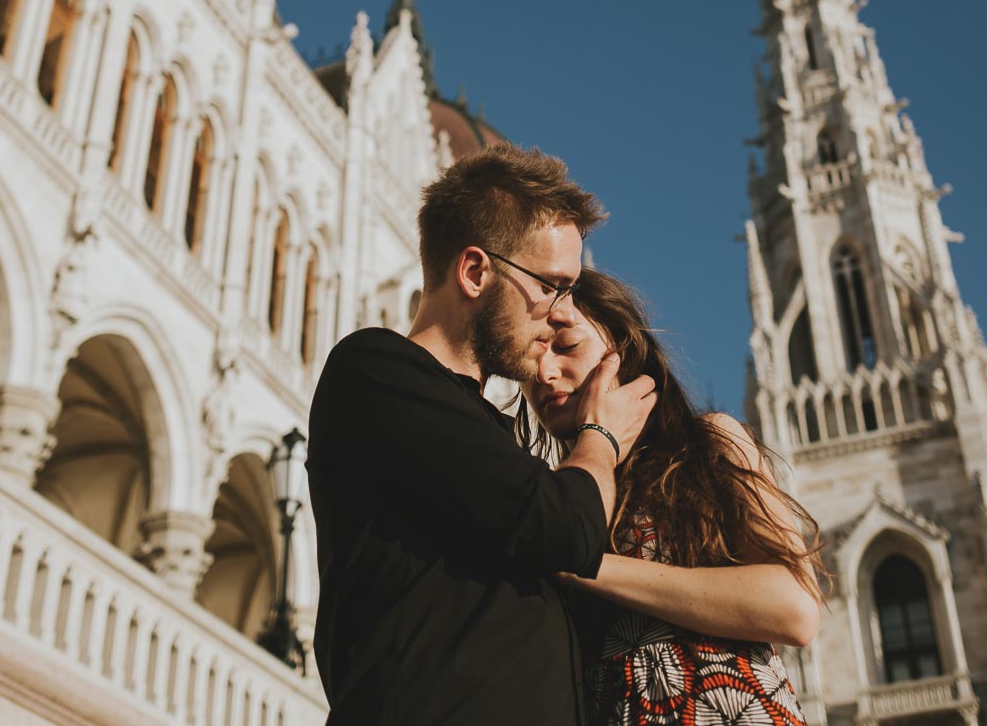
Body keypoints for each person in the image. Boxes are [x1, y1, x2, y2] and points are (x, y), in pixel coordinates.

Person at [306, 144, 658, 725]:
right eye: (552, 285)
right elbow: (566, 529)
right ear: (475, 272)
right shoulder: (376, 370)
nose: (562, 312)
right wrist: (600, 434)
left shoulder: (483, 429)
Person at [519, 269, 826, 726]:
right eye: (531, 356)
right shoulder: (550, 492)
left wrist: (581, 562)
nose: (545, 372)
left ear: (620, 351)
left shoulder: (708, 443)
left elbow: (794, 607)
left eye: (567, 346)